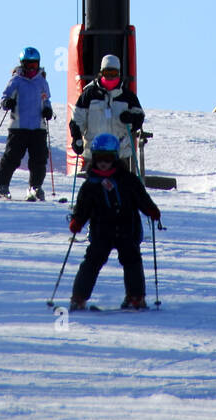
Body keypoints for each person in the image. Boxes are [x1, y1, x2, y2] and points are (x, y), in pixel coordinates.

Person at [68, 133, 161, 310]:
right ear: (94, 158)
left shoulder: (127, 180)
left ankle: (136, 297)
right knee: (92, 261)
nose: (104, 162)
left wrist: (151, 210)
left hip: (127, 228)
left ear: (115, 158)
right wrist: (78, 221)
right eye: (100, 158)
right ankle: (79, 297)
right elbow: (83, 207)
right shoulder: (91, 184)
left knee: (132, 260)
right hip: (101, 231)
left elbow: (141, 197)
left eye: (108, 158)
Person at [0, 47, 54, 199]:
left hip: (38, 128)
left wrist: (48, 110)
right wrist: (7, 102)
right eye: (28, 65)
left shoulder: (42, 81)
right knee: (12, 158)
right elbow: (3, 99)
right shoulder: (16, 80)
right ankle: (0, 186)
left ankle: (35, 187)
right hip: (19, 127)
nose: (31, 68)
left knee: (39, 160)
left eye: (34, 65)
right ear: (22, 64)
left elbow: (46, 100)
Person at [69, 54, 144, 174]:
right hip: (94, 153)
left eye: (113, 74)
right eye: (106, 73)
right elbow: (77, 119)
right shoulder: (89, 94)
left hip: (120, 153)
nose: (110, 77)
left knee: (119, 187)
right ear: (101, 73)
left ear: (119, 74)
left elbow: (139, 117)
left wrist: (131, 118)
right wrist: (77, 137)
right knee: (94, 188)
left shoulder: (127, 96)